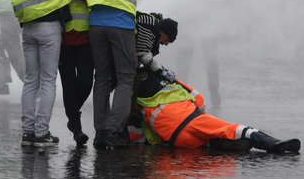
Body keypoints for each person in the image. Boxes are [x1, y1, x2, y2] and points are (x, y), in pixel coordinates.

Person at [82, 0, 180, 149]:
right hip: (121, 25)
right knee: (126, 77)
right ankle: (114, 131)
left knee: (102, 78)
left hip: (95, 26)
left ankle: (99, 131)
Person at [12, 0, 98, 147]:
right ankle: (41, 133)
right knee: (48, 81)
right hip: (49, 26)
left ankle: (27, 132)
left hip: (27, 27)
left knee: (31, 81)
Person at [129, 65, 301, 153]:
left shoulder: (135, 102)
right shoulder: (170, 83)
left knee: (205, 143)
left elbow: (137, 136)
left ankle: (218, 143)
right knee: (237, 130)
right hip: (191, 118)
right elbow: (200, 100)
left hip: (177, 140)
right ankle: (273, 144)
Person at [58, 0, 94, 147]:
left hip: (85, 38)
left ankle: (72, 115)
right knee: (68, 85)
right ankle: (76, 127)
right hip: (64, 38)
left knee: (86, 83)